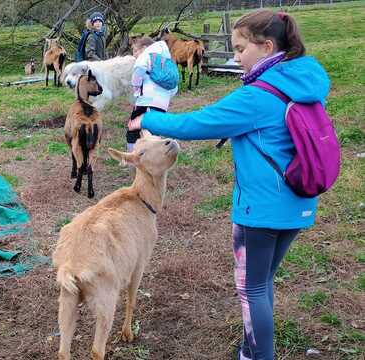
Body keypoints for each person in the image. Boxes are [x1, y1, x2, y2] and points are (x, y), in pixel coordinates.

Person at [128, 10, 330, 360]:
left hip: (261, 208)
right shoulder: (301, 81)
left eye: (240, 49)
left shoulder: (260, 95)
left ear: (266, 47)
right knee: (263, 281)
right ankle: (252, 349)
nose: (236, 57)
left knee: (251, 288)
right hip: (297, 202)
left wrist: (149, 117)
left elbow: (202, 123)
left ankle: (259, 355)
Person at [127, 36, 178, 152]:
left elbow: (137, 73)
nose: (134, 55)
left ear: (144, 48)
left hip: (146, 101)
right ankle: (157, 156)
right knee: (154, 128)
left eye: (135, 51)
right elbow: (174, 88)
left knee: (133, 127)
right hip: (162, 104)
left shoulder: (146, 55)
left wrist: (136, 91)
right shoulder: (166, 60)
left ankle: (130, 157)